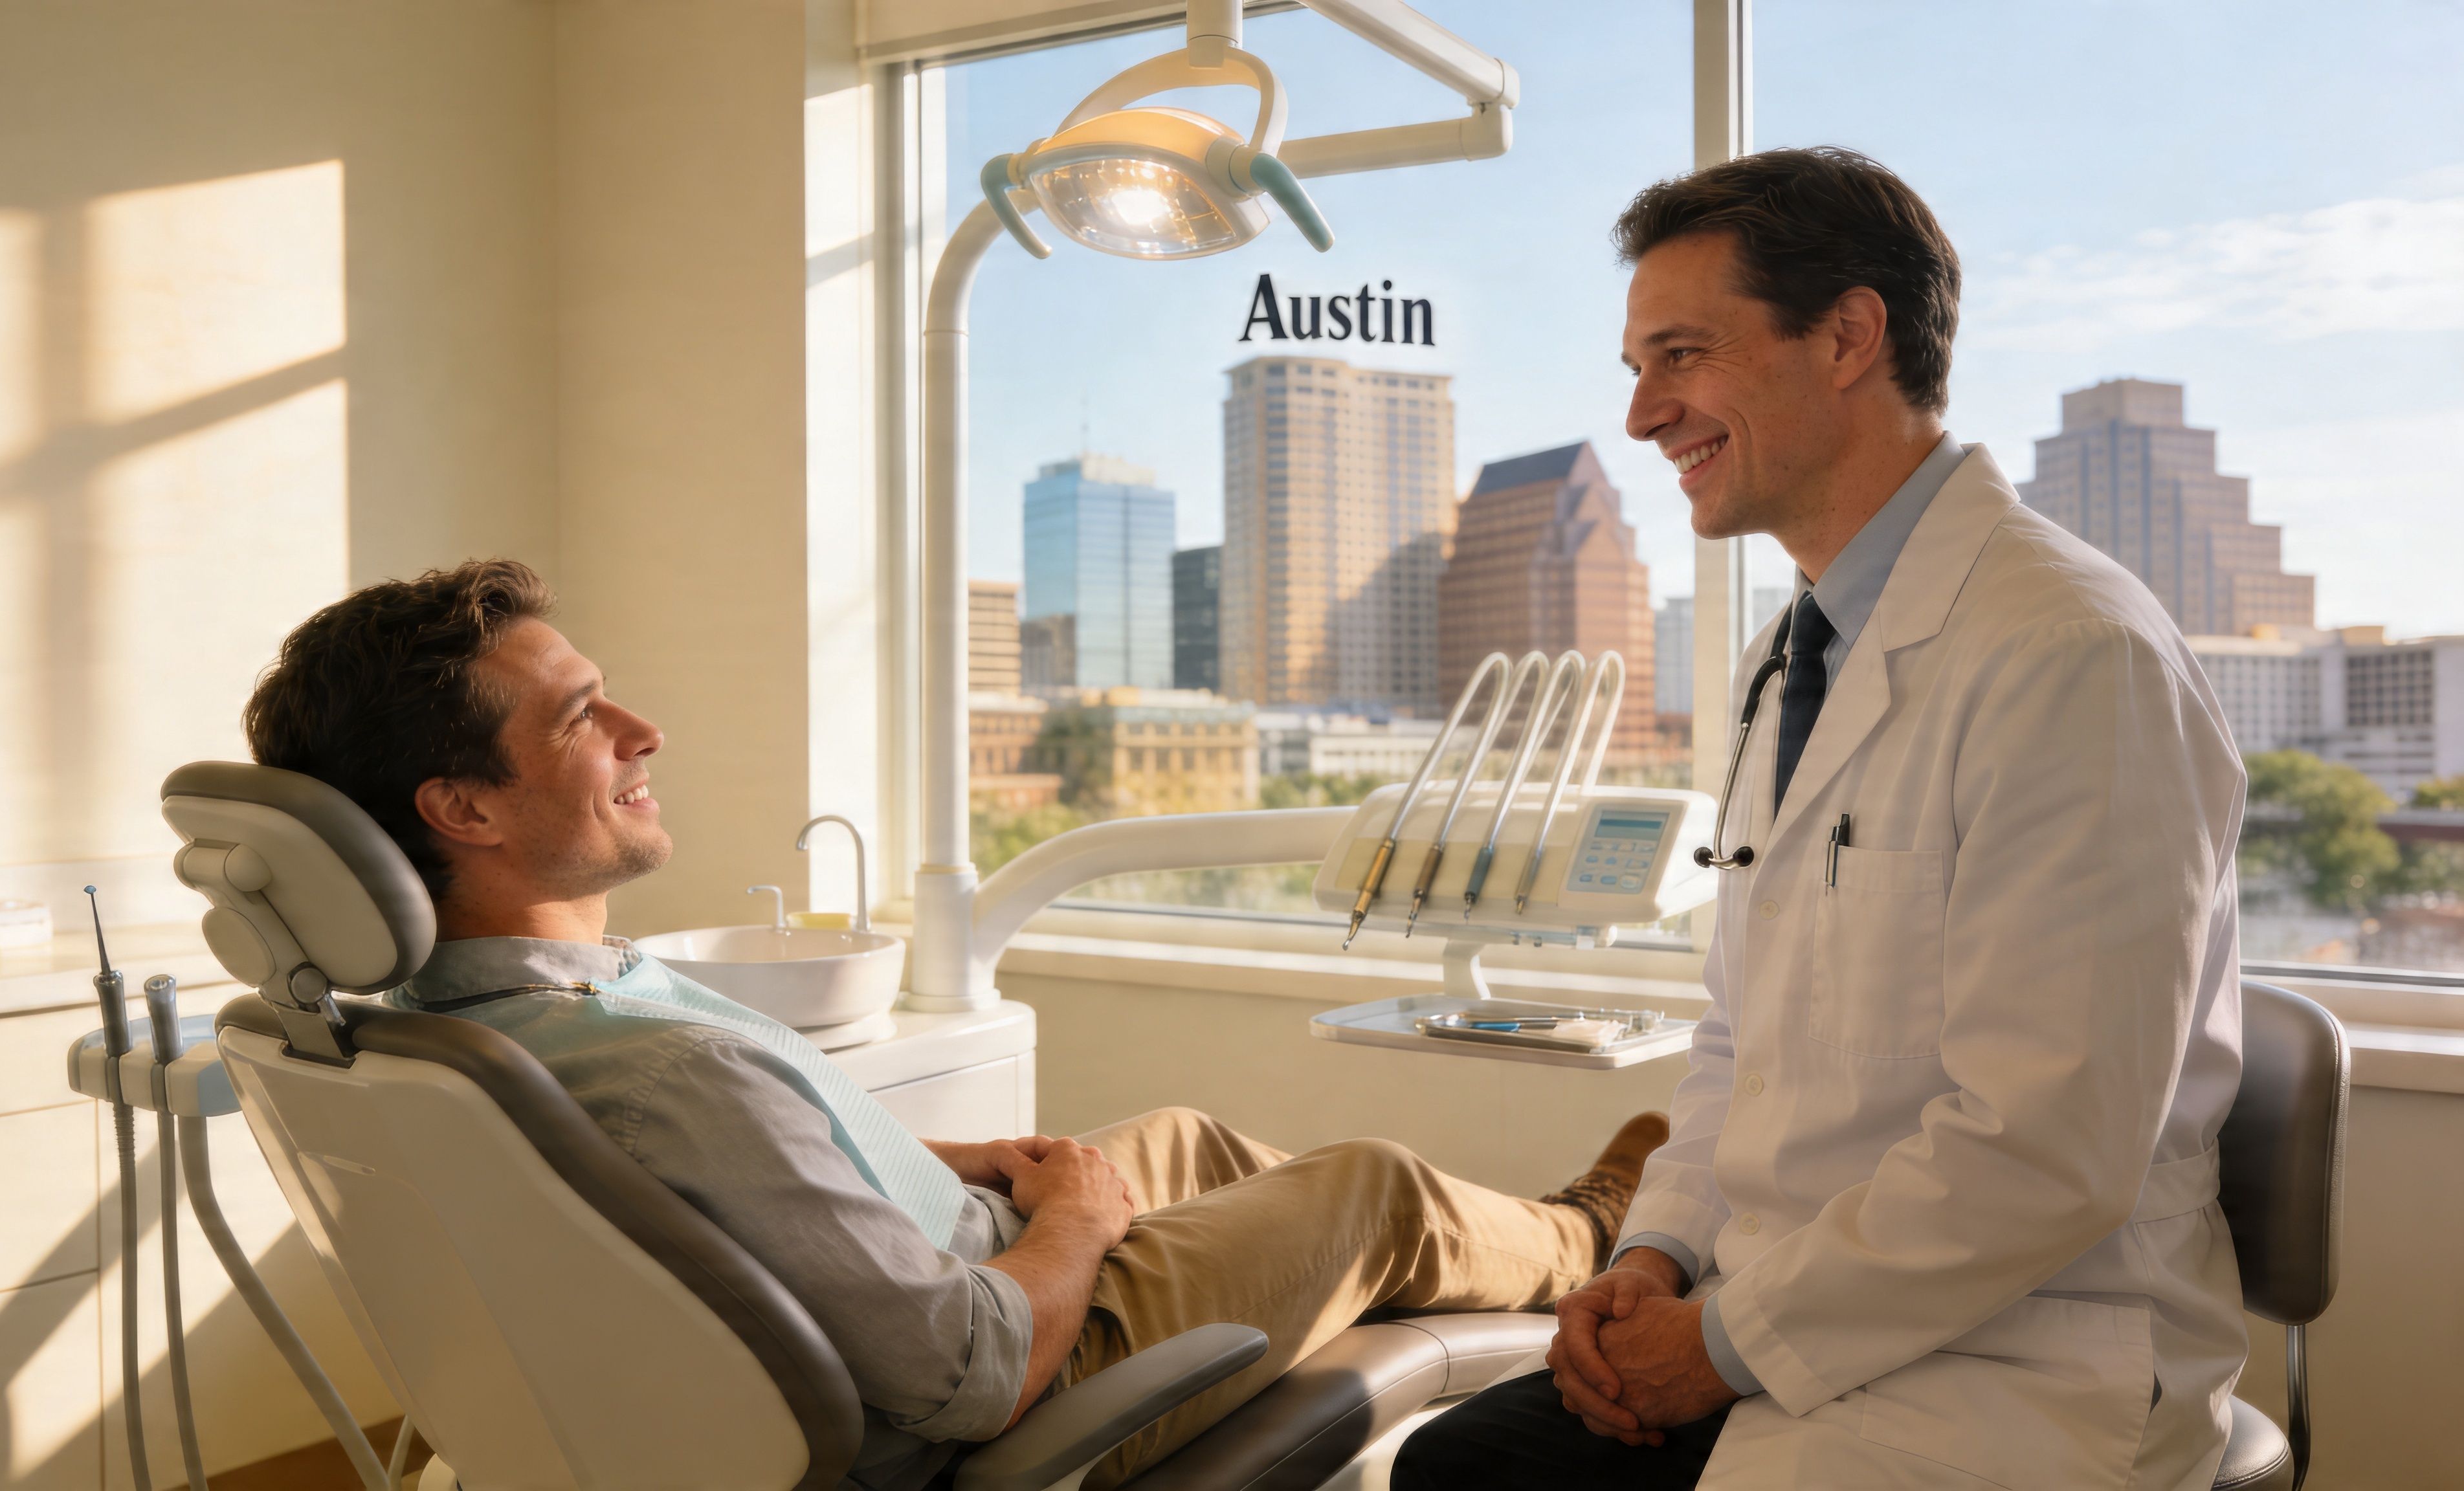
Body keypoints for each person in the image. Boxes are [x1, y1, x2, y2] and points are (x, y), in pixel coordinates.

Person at [240, 558, 1670, 1491]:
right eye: (580, 719)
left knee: (1181, 1135)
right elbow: (970, 1372)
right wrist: (1077, 1228)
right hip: (1005, 1369)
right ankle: (1595, 1254)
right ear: (464, 811)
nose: (643, 730)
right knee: (1371, 1188)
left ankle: (1541, 1253)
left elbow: (722, 1188)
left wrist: (963, 1160)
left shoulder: (472, 1031)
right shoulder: (656, 1064)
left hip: (952, 1269)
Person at [1395, 146, 2250, 1490]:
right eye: (1633, 366)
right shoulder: (1783, 661)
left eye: (1677, 355)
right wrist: (1652, 1260)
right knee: (1454, 1469)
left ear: (1846, 336)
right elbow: (1740, 1040)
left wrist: (1722, 1342)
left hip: (2013, 1359)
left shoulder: (2069, 654)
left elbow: (2044, 1147)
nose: (1639, 415)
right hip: (1783, 1309)